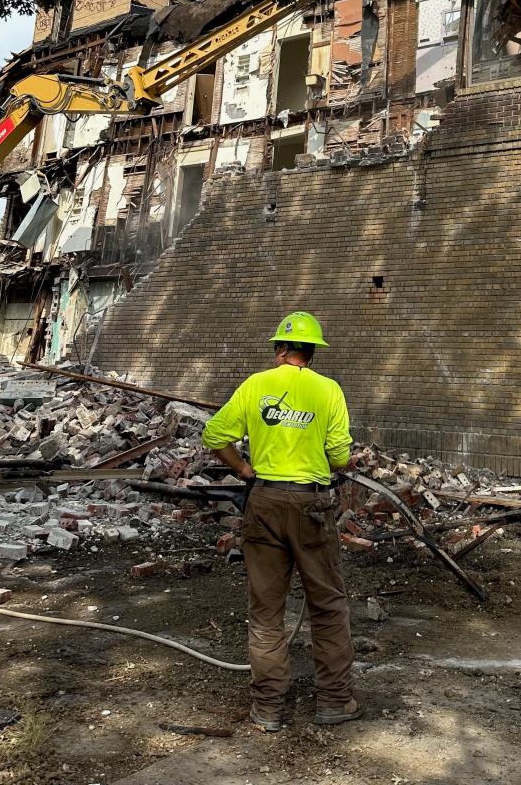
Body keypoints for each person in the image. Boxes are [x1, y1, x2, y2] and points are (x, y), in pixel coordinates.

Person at [202, 310, 363, 732]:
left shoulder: (257, 385)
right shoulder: (328, 390)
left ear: (279, 350)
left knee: (267, 612)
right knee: (327, 607)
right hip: (311, 505)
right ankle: (334, 702)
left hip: (265, 501)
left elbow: (215, 435)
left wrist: (243, 469)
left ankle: (269, 709)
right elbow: (340, 457)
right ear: (312, 352)